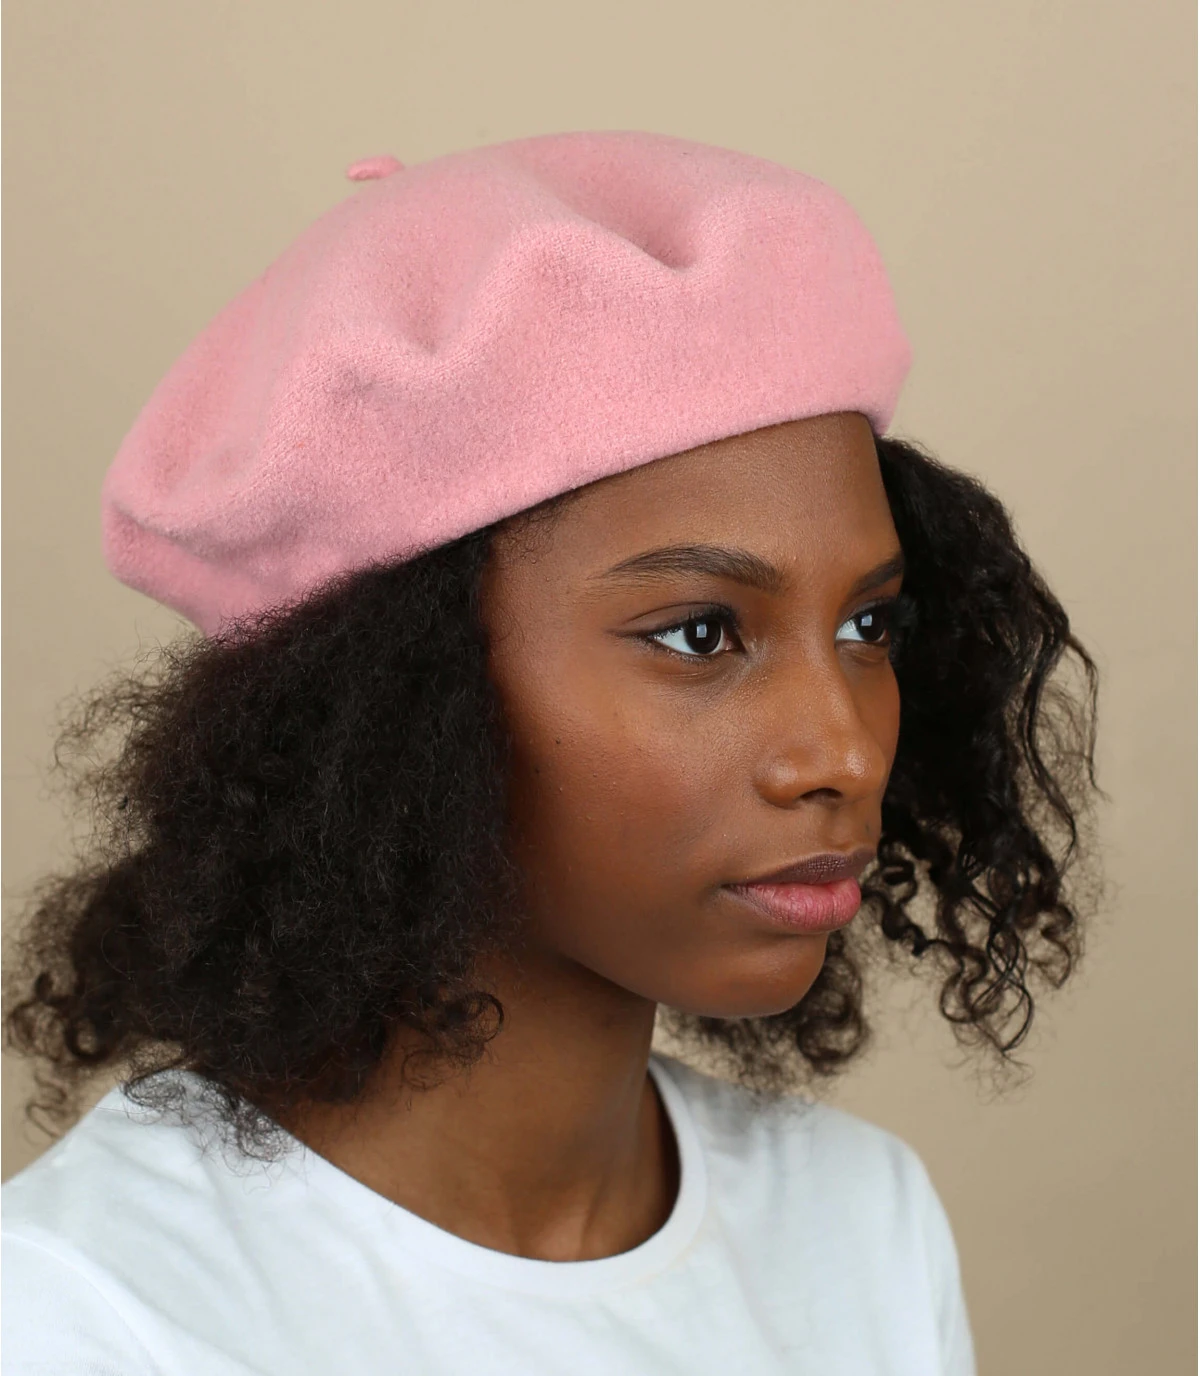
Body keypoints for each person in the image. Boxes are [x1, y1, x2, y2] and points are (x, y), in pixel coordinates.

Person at [1, 129, 1103, 1374]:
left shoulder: (858, 1225)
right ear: (391, 698)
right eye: (701, 633)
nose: (844, 750)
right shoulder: (95, 1316)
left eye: (868, 626)